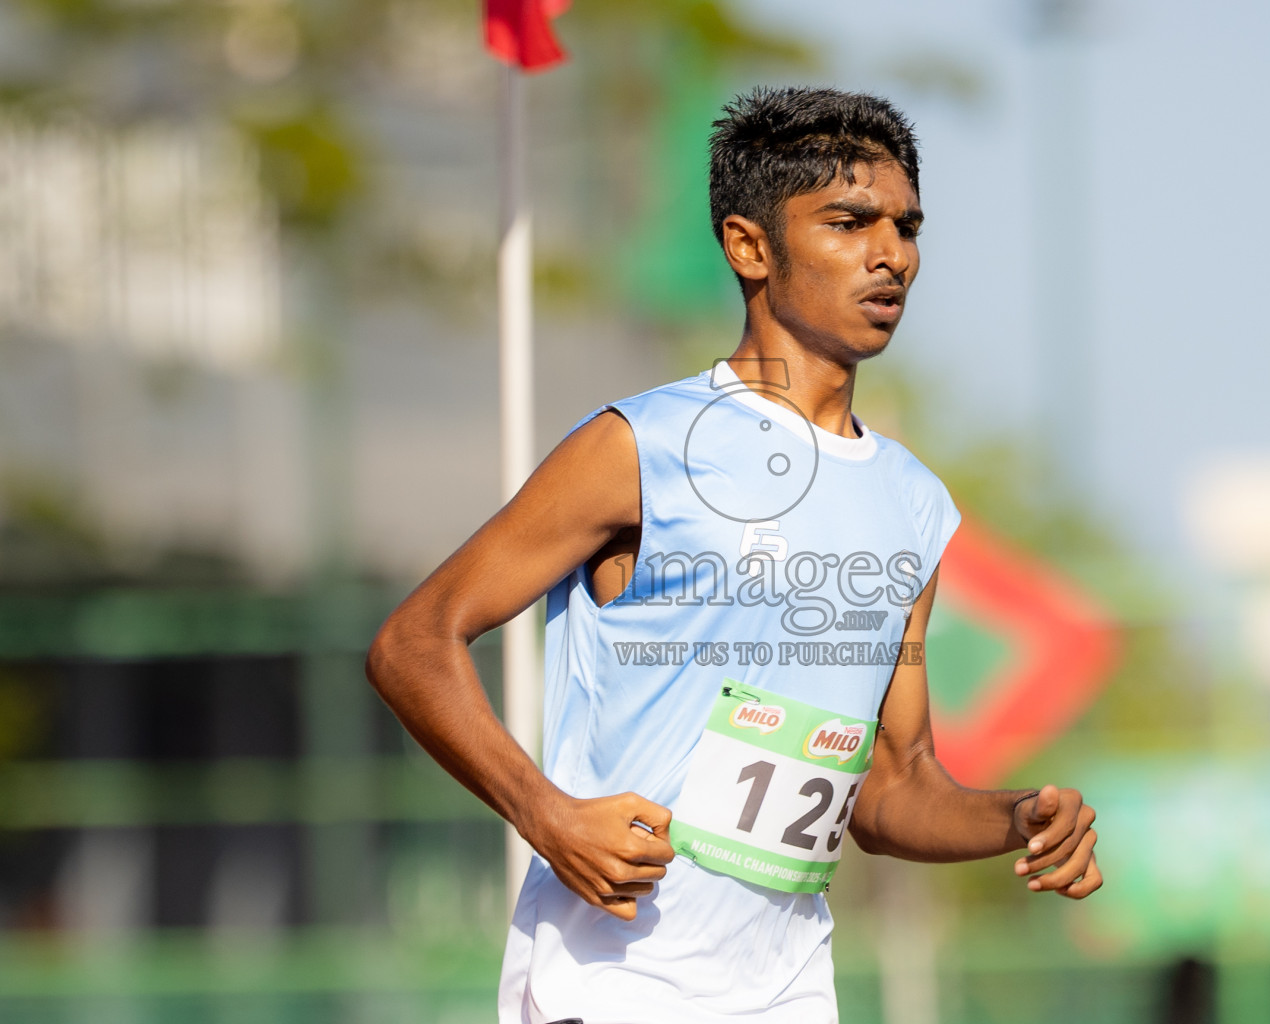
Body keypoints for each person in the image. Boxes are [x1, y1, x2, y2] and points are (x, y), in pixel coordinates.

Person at [366, 85, 1101, 1024]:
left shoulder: (914, 503)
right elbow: (414, 641)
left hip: (790, 995)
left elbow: (893, 788)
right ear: (750, 247)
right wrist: (545, 814)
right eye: (850, 223)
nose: (892, 255)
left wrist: (1016, 817)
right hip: (613, 985)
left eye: (907, 226)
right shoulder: (642, 446)